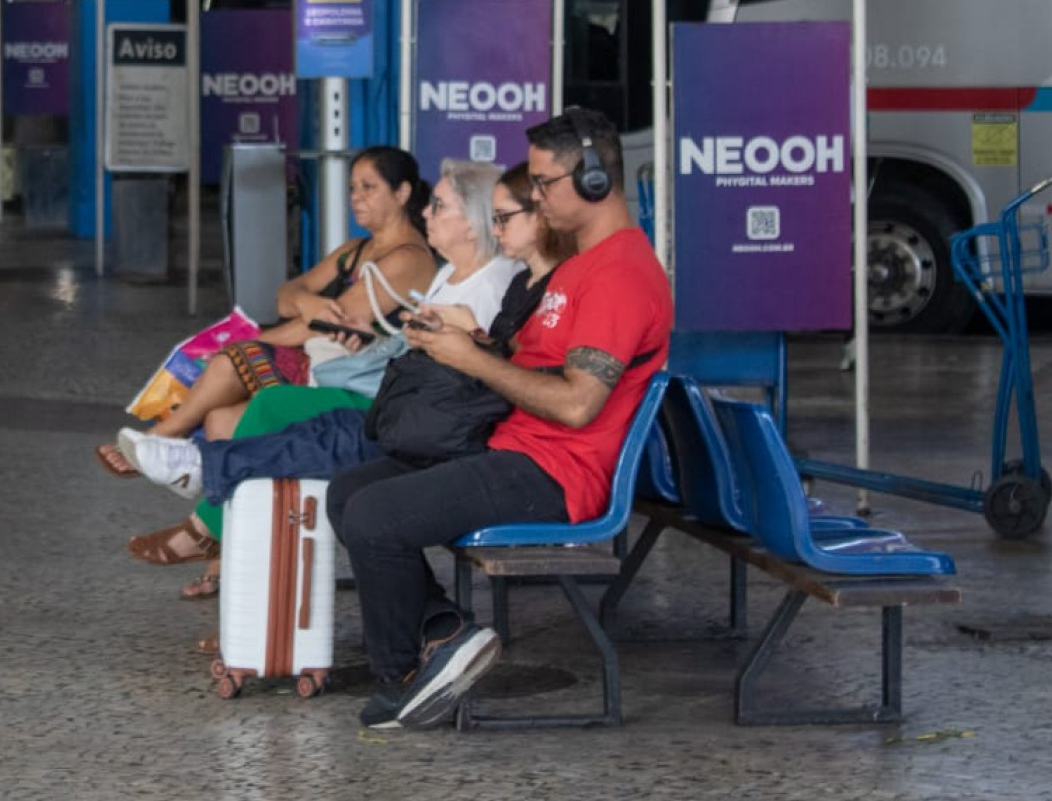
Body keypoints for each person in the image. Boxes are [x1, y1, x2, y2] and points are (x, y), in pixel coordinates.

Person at [331, 107, 672, 730]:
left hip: (555, 473)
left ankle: (402, 682)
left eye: (543, 185)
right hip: (516, 445)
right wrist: (476, 339)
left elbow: (576, 403)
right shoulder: (577, 265)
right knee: (352, 489)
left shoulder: (620, 275)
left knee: (375, 517)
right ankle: (446, 630)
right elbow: (534, 364)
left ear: (594, 181)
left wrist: (473, 360)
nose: (534, 197)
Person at [121, 162, 562, 600]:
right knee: (248, 413)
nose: (426, 214)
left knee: (270, 409)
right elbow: (290, 294)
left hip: (416, 415)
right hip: (399, 397)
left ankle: (211, 518)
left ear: (472, 223)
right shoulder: (445, 272)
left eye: (439, 206)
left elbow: (467, 375)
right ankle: (232, 567)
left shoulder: (485, 283)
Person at [95, 147, 437, 474]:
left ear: (402, 192)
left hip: (353, 378)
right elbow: (285, 295)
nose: (355, 197)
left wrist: (251, 342)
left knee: (231, 361)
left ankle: (163, 438)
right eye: (352, 188)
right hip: (318, 361)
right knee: (220, 421)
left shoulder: (407, 258)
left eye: (368, 187)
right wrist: (307, 301)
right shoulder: (354, 250)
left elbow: (319, 326)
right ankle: (214, 515)